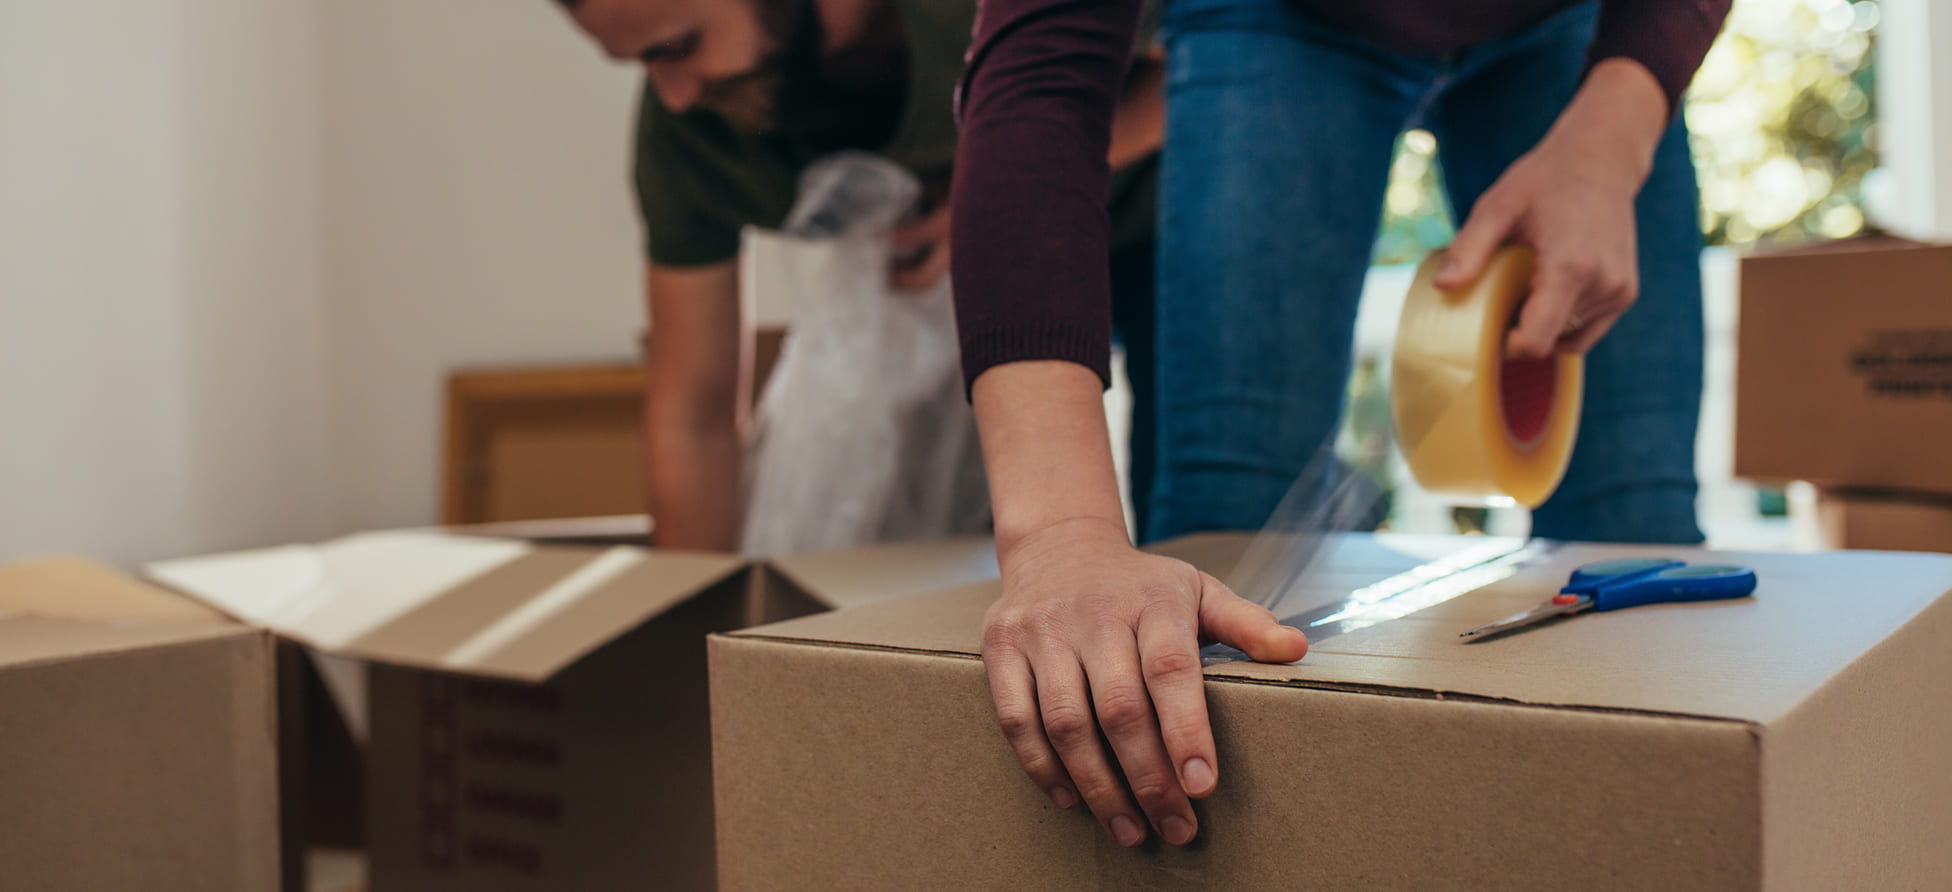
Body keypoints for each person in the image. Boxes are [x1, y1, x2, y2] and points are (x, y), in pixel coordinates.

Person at [950, 0, 1729, 850]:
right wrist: (1059, 535)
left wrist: (1619, 125)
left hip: (1579, 23)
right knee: (1228, 558)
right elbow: (1040, 73)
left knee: (1635, 525)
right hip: (1282, 15)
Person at [550, 0, 1165, 551]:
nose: (676, 93)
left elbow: (1204, 66)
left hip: (1148, 216)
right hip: (958, 312)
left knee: (1183, 503)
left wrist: (991, 200)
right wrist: (693, 637)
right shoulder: (688, 139)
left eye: (681, 46)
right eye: (641, 63)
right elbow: (694, 414)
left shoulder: (961, 19)